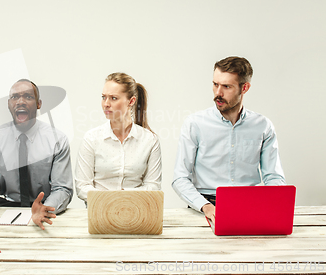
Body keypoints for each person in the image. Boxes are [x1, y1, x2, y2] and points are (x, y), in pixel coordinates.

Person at [172, 56, 286, 224]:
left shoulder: (263, 126)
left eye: (226, 86)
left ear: (244, 88)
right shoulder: (195, 124)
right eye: (215, 84)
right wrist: (205, 206)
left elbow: (274, 177)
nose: (218, 93)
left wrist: (270, 204)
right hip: (205, 205)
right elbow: (180, 178)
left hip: (251, 203)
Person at [0, 79, 73, 230]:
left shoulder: (57, 140)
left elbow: (62, 188)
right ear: (9, 104)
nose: (21, 101)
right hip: (5, 210)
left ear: (39, 104)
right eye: (15, 97)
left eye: (28, 97)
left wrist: (47, 208)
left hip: (43, 211)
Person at [74, 72, 162, 202]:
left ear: (131, 101)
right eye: (103, 97)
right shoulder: (92, 138)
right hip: (99, 211)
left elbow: (153, 187)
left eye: (113, 98)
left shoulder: (150, 140)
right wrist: (111, 200)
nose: (106, 104)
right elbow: (82, 186)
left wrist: (122, 197)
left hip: (136, 211)